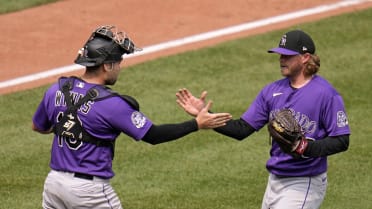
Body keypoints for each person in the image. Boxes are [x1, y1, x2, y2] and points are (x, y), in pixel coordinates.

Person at [32, 25, 232, 209]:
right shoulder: (112, 104)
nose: (119, 67)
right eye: (118, 62)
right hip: (88, 192)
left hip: (54, 184)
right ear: (106, 66)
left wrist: (70, 125)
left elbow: (39, 126)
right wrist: (196, 124)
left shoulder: (56, 90)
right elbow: (153, 135)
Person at [176, 29, 350, 209]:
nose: (281, 60)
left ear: (305, 57)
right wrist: (205, 114)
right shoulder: (271, 91)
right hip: (274, 181)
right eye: (280, 55)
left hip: (304, 182)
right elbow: (241, 129)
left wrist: (306, 147)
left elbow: (342, 140)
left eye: (287, 56)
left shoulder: (326, 94)